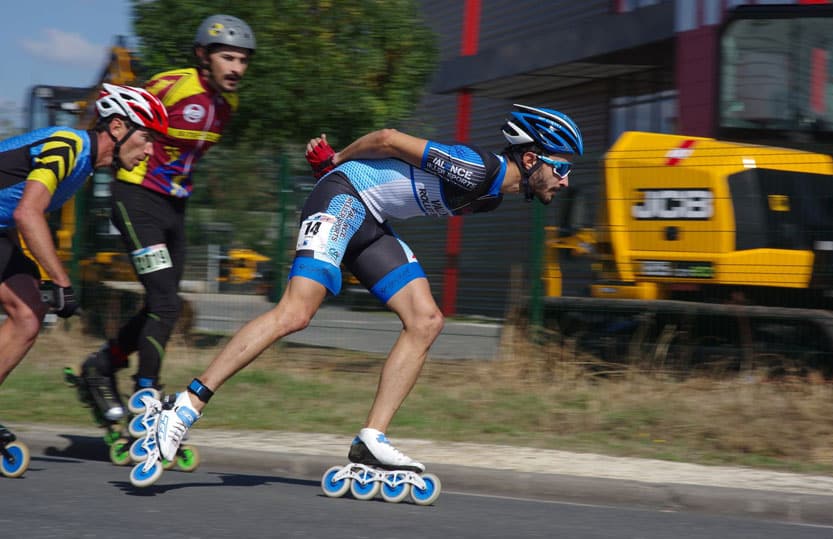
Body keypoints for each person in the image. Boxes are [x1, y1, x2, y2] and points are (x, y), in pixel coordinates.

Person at [151, 103, 583, 470]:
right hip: (342, 198)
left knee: (426, 320)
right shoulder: (475, 172)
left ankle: (370, 440)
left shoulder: (491, 196)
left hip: (372, 223)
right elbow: (390, 139)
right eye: (561, 168)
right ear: (531, 160)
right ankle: (186, 405)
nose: (565, 181)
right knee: (296, 313)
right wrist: (335, 159)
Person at [79, 14, 255, 421]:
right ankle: (148, 397)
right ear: (202, 55)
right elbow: (116, 117)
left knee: (162, 306)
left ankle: (102, 367)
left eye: (243, 60)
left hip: (174, 208)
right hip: (136, 198)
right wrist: (96, 160)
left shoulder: (229, 105)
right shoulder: (172, 85)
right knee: (165, 303)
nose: (236, 69)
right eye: (228, 58)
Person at [0, 83, 168, 436]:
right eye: (148, 138)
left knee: (29, 314)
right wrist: (60, 279)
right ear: (118, 127)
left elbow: (13, 206)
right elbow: (28, 213)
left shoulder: (83, 166)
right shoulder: (69, 145)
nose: (151, 151)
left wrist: (38, 272)